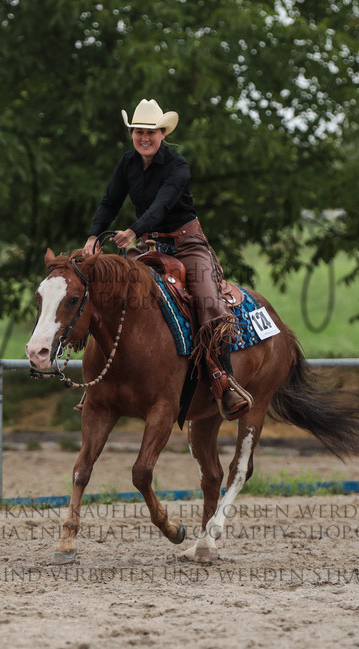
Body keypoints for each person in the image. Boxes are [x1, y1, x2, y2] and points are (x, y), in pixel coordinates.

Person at [82, 98, 253, 420]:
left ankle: (224, 381)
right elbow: (110, 200)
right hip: (148, 245)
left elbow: (161, 205)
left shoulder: (178, 166)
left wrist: (133, 230)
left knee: (208, 301)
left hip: (186, 242)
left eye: (151, 132)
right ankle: (103, 384)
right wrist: (94, 235)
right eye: (138, 132)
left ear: (163, 133)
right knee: (109, 295)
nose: (144, 138)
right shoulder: (127, 163)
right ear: (132, 133)